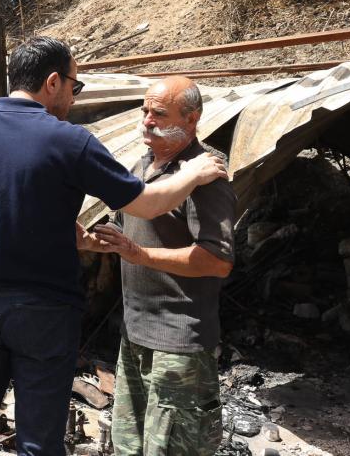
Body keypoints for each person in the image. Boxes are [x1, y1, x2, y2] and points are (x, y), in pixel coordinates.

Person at [0, 38, 229, 456]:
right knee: (39, 440)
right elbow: (147, 203)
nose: (73, 100)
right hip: (45, 313)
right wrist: (194, 174)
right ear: (53, 82)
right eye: (74, 88)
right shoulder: (70, 141)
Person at [93, 76, 236, 456]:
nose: (146, 121)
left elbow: (218, 261)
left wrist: (140, 255)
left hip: (178, 343)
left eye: (158, 113)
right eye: (144, 111)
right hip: (135, 335)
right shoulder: (144, 165)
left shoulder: (205, 176)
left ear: (192, 119)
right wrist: (92, 241)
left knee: (171, 449)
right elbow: (127, 236)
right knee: (130, 445)